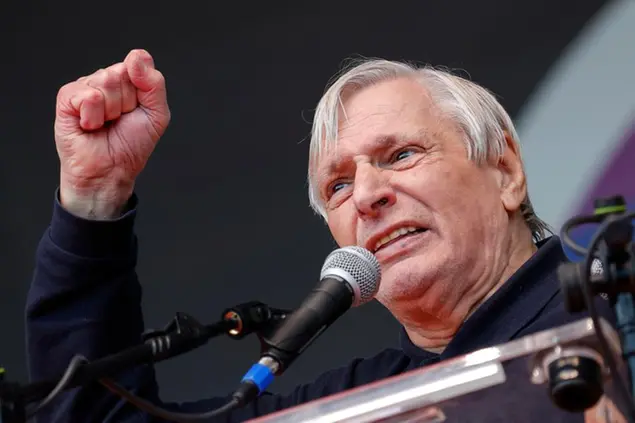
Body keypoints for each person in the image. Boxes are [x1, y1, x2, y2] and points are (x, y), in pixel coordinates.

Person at [25, 49, 619, 422]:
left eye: (401, 154)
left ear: (505, 171)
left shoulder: (621, 302)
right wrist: (94, 198)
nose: (366, 195)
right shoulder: (361, 403)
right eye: (338, 186)